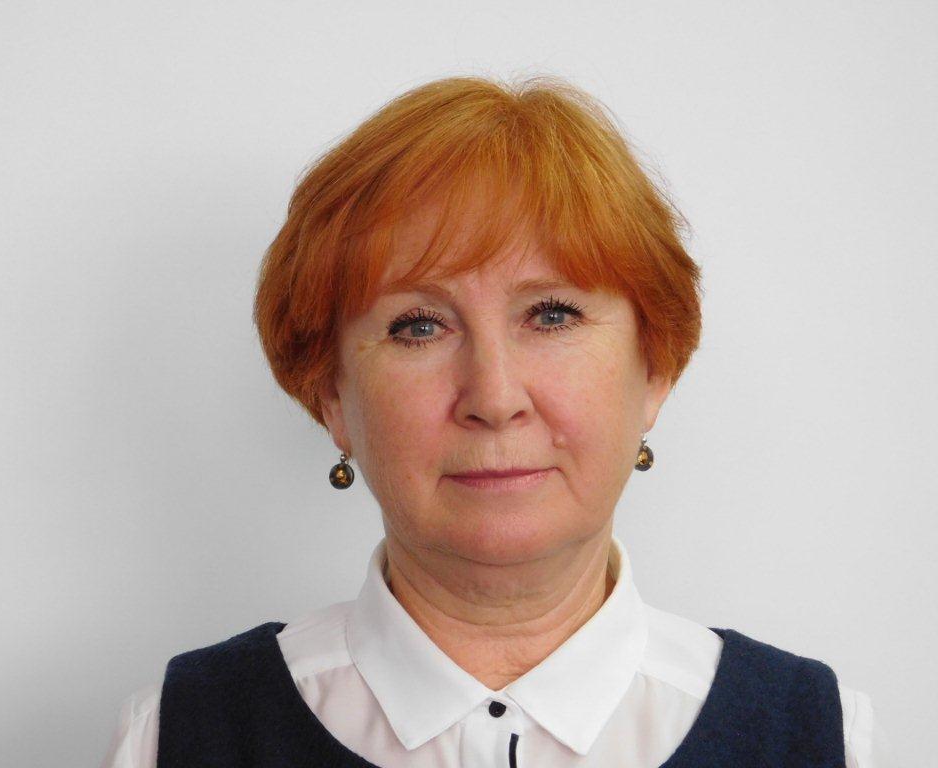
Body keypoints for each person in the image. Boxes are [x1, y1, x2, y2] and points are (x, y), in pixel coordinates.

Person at [100, 74, 896, 767]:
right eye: (419, 325)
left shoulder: (818, 738)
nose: (494, 394)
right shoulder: (174, 736)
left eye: (551, 315)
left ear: (655, 368)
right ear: (330, 395)